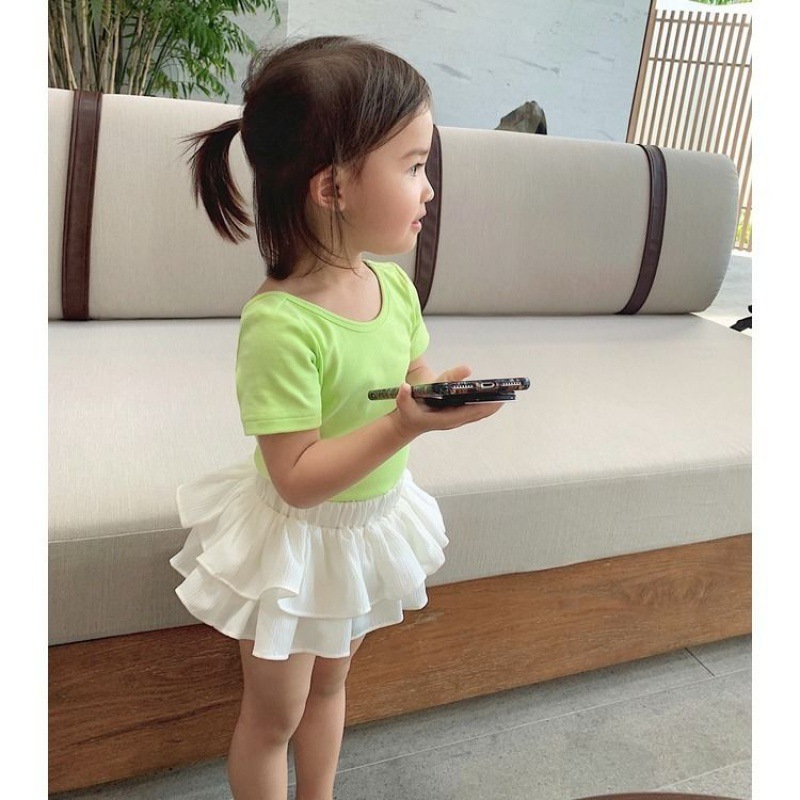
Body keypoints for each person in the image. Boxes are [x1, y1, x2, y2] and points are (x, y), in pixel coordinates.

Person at [170, 35, 503, 800]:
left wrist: (438, 398)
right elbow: (295, 478)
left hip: (361, 532)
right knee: (274, 715)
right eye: (413, 166)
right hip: (295, 546)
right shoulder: (281, 325)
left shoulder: (395, 289)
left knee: (330, 688)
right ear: (332, 187)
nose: (428, 190)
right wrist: (404, 427)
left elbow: (410, 378)